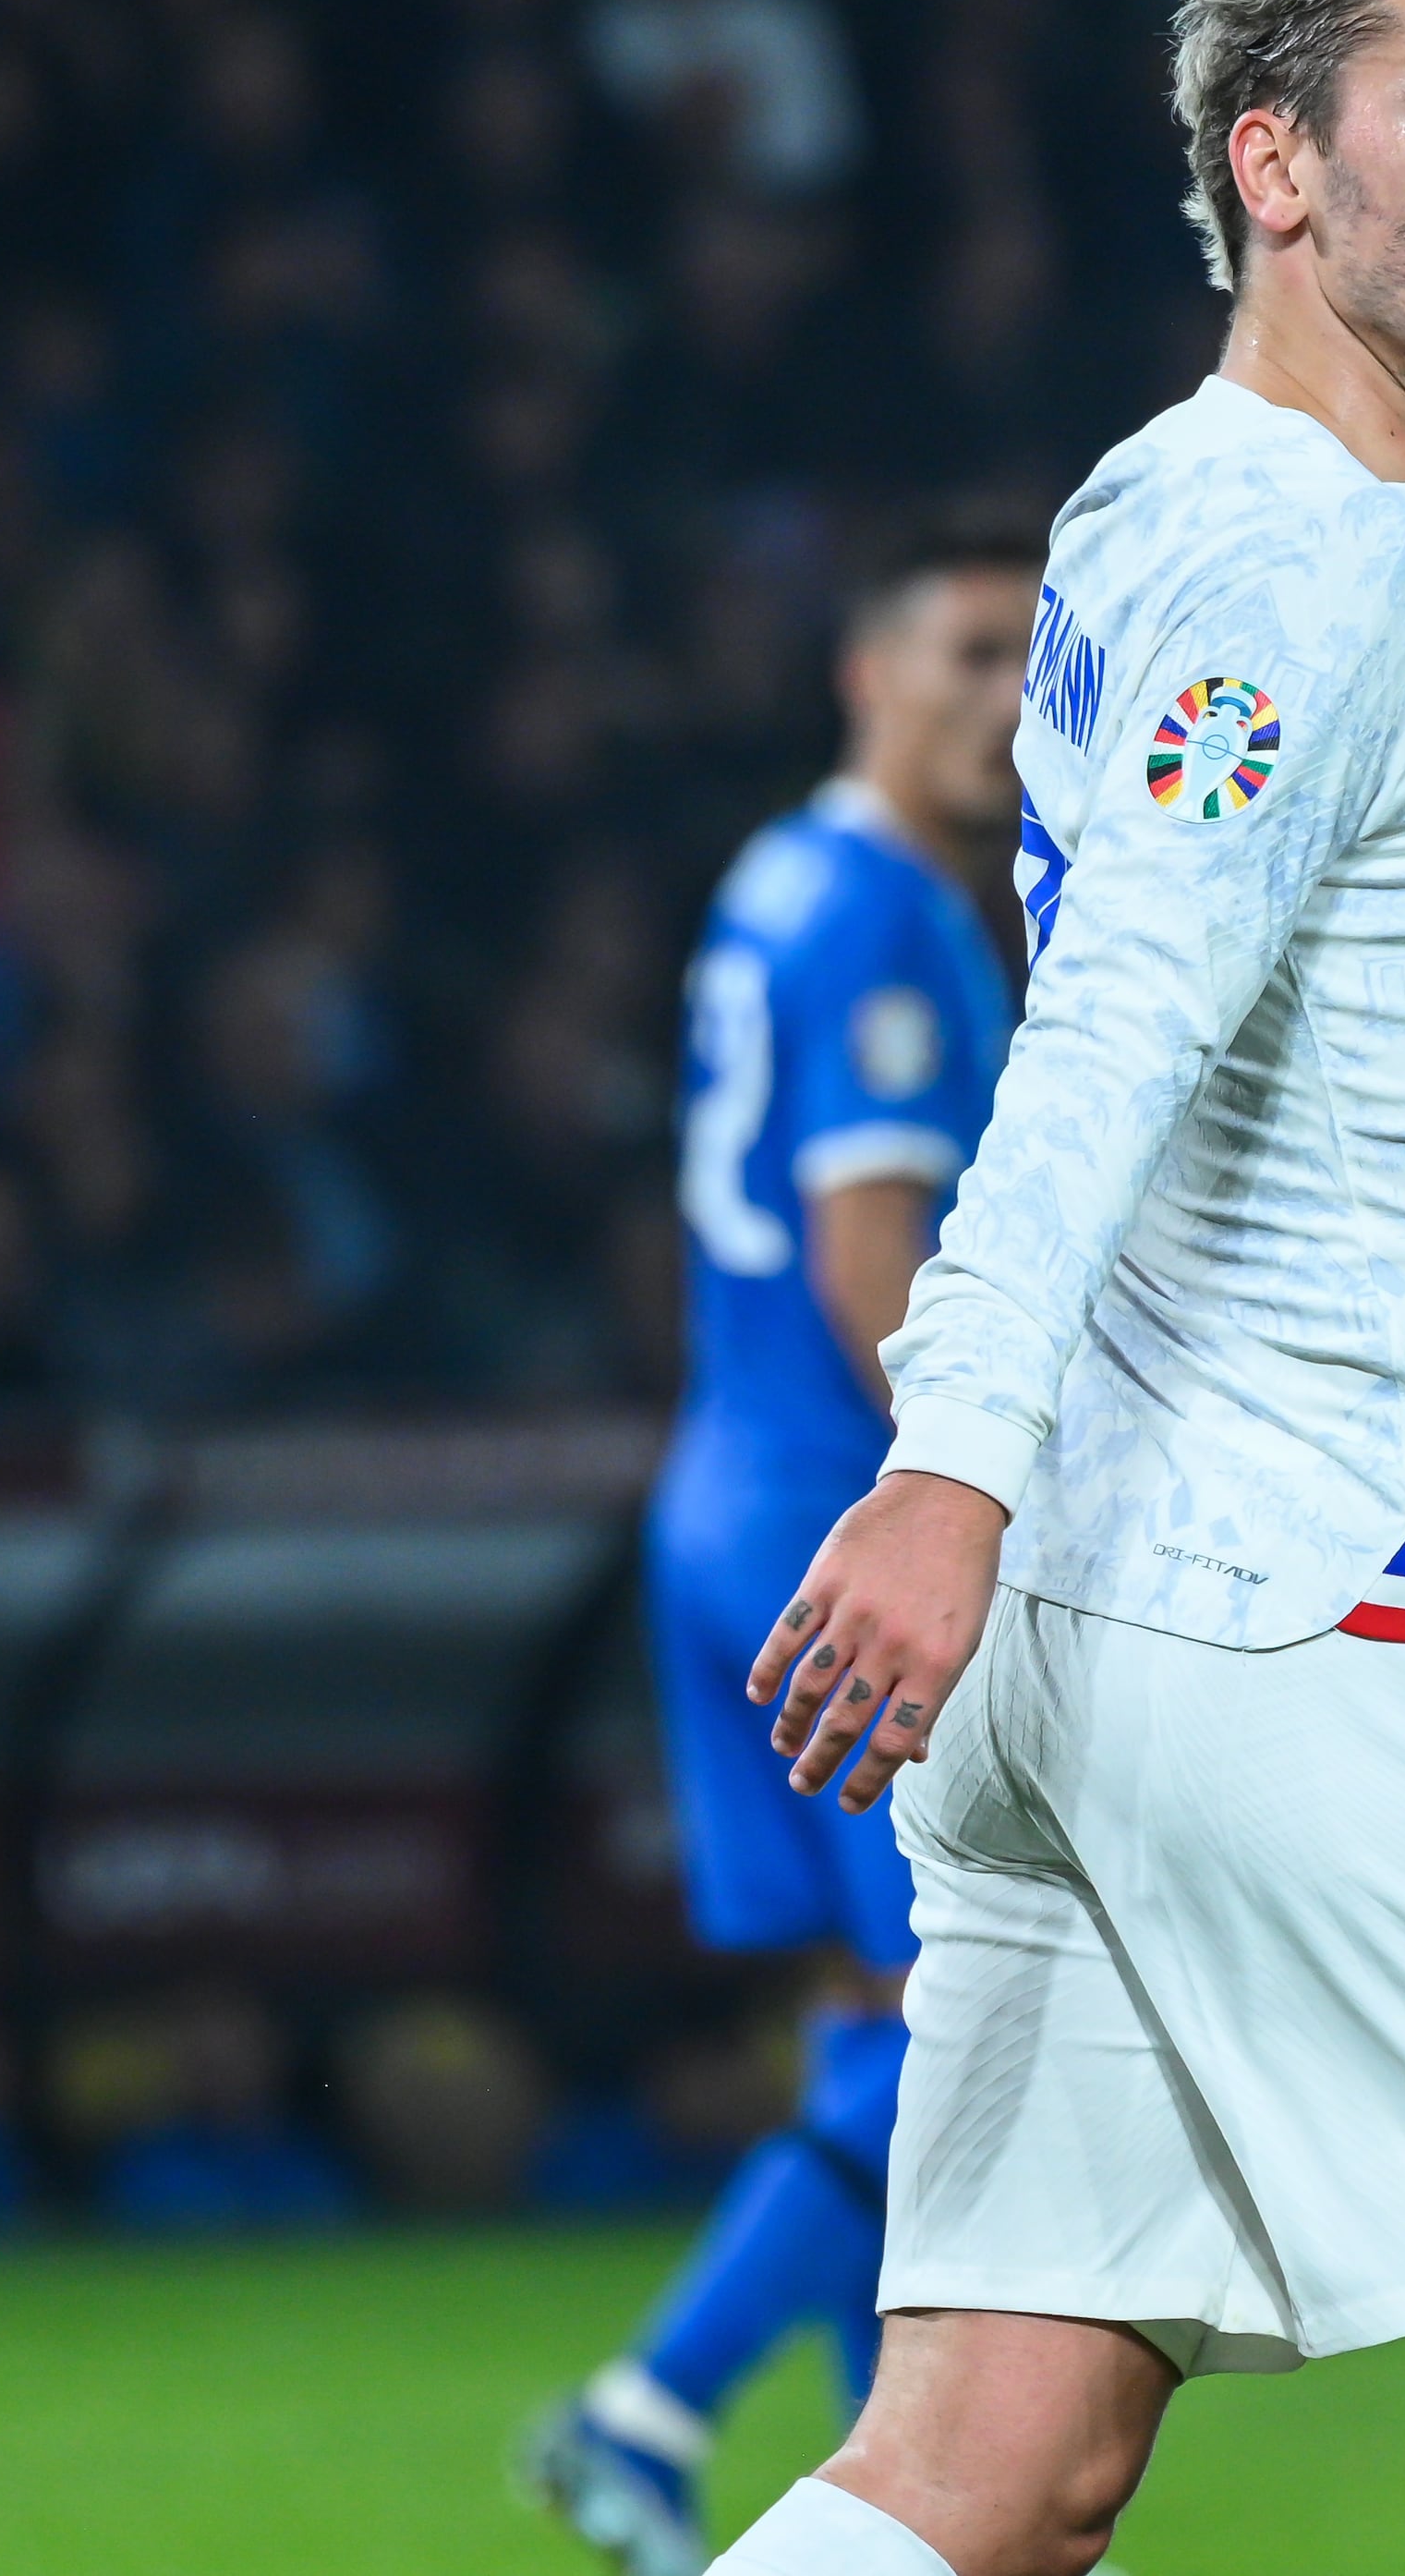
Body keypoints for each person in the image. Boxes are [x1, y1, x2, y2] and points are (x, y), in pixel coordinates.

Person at [706, 0, 1405, 2576]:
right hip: (1341, 1606)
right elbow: (1120, 1021)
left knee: (989, 2470)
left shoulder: (1182, 493)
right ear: (1276, 171)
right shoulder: (1315, 578)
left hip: (1110, 1634)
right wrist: (940, 1458)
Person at [526, 519, 1036, 2576]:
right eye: (968, 651)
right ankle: (649, 2404)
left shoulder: (773, 879)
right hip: (847, 1521)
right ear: (866, 672)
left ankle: (867, 2478)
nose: (1005, 700)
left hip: (726, 1498)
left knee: (867, 2008)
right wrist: (979, 1474)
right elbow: (865, 1255)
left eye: (1032, 657)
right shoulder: (886, 920)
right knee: (966, 2015)